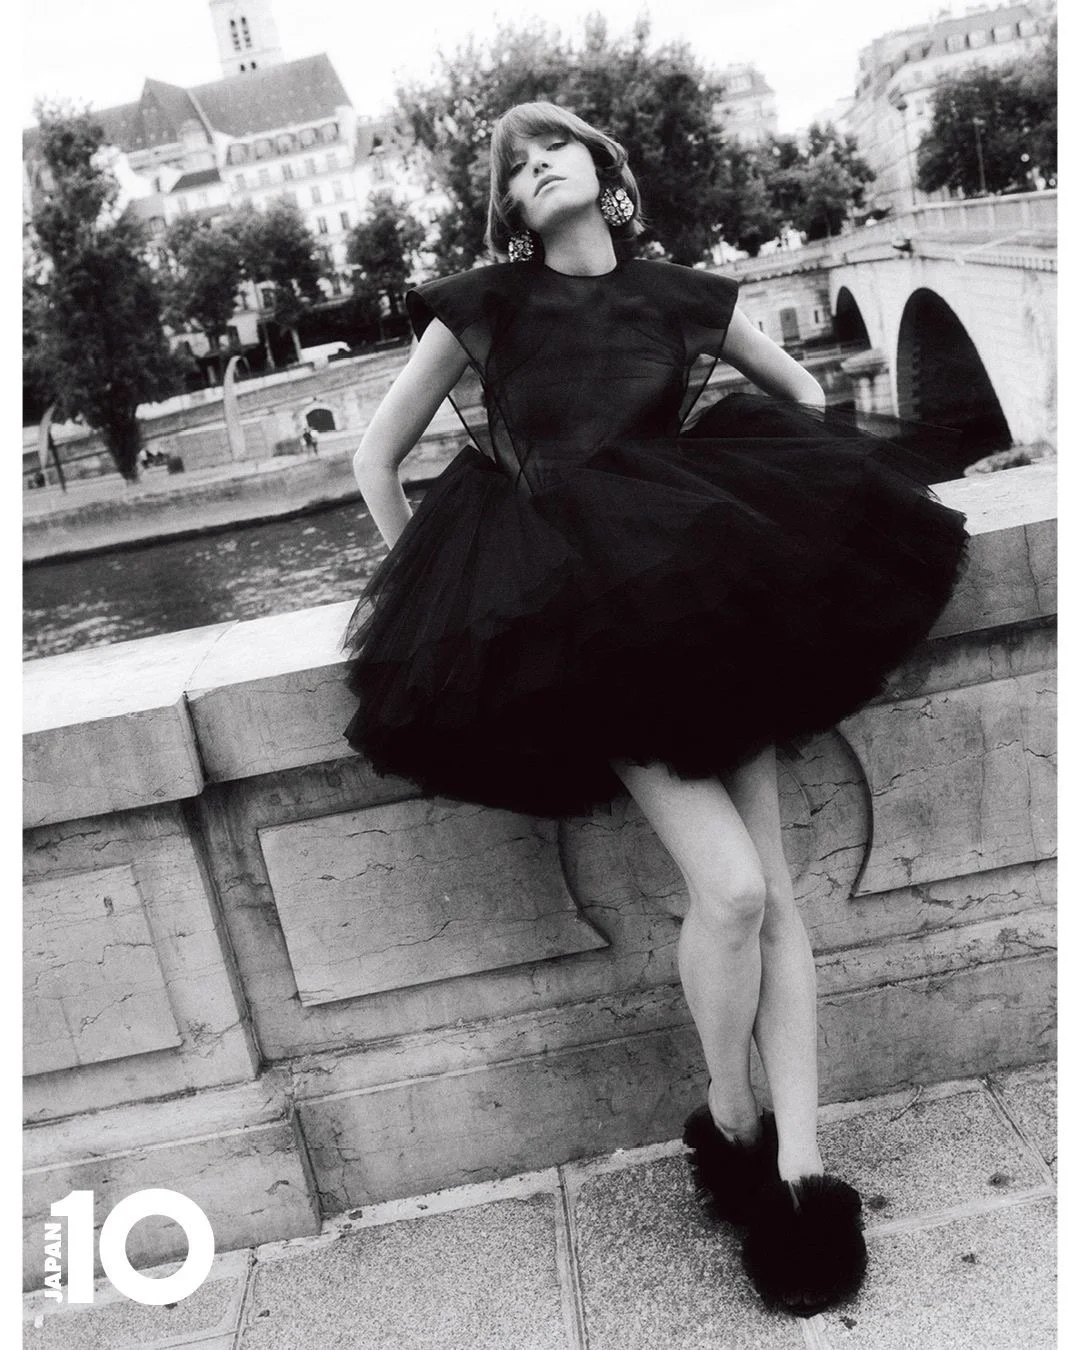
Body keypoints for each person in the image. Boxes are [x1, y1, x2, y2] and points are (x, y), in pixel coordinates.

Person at [343, 102, 967, 1317]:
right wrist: (460, 602)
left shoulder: (684, 292)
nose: (537, 170)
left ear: (604, 167)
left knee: (776, 896)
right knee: (730, 891)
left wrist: (779, 515)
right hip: (587, 633)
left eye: (553, 150)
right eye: (516, 171)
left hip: (711, 605)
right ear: (509, 210)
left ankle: (800, 1174)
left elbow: (798, 391)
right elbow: (375, 462)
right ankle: (729, 1118)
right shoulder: (487, 302)